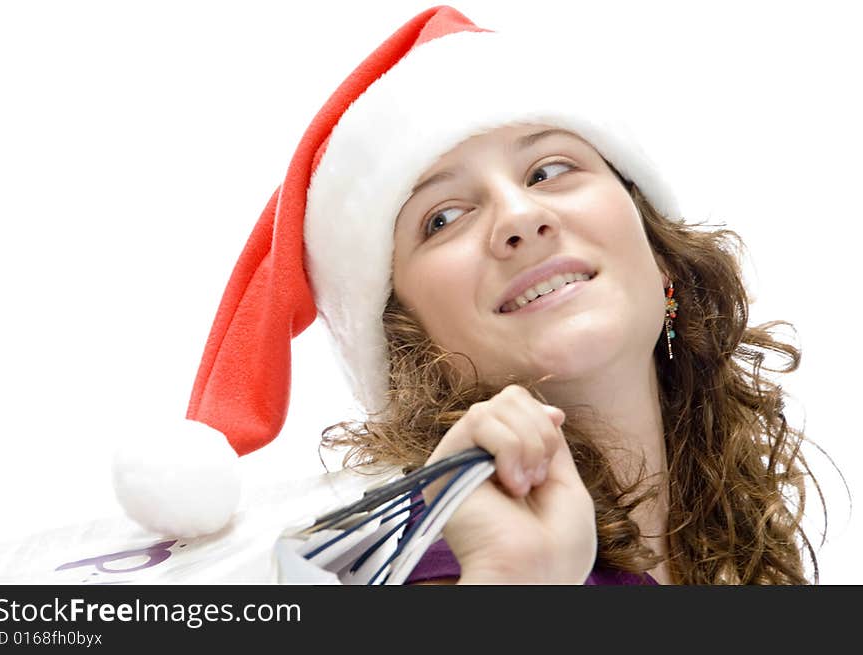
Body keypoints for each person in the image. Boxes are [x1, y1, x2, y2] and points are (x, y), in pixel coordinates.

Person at [113, 5, 826, 584]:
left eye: (549, 169)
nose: (519, 218)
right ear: (412, 351)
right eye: (443, 219)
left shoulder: (749, 553)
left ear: (661, 257)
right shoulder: (432, 575)